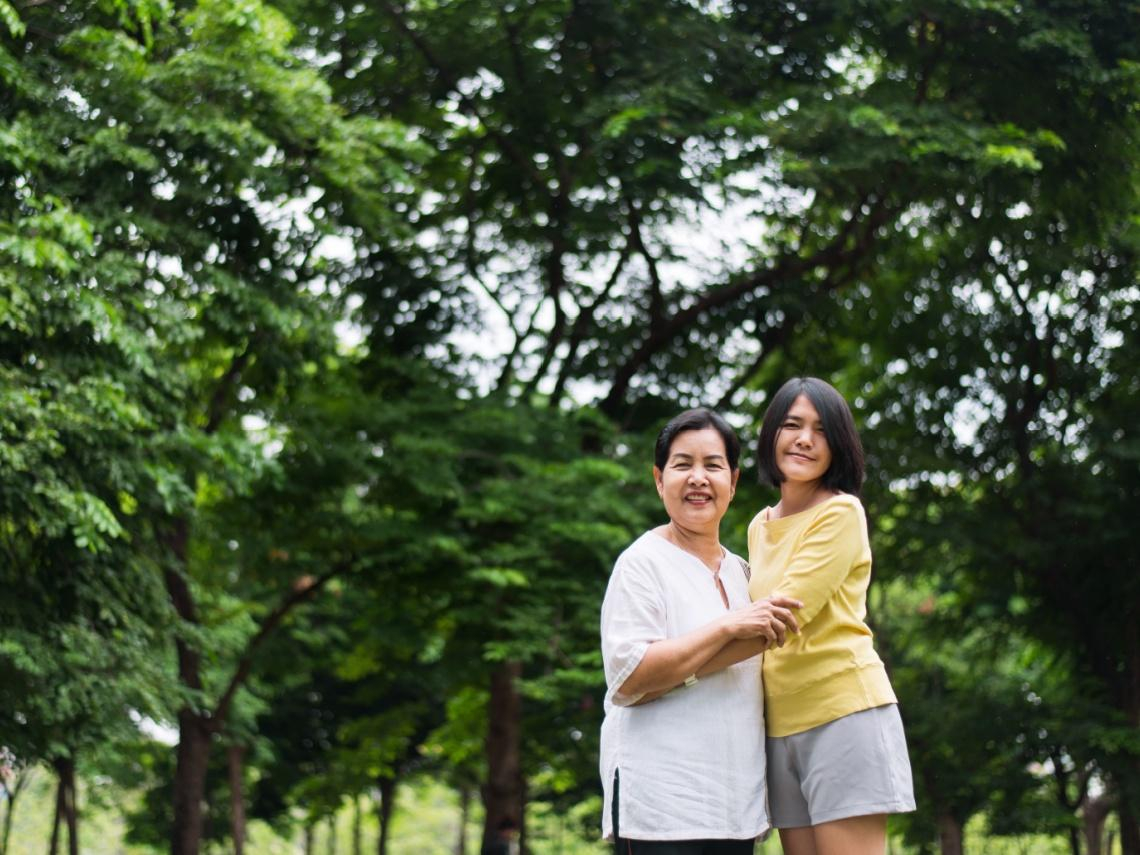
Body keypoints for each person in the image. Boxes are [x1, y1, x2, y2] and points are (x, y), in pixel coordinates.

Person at [600, 408, 802, 854]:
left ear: (733, 481)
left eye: (712, 465)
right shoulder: (641, 564)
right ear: (658, 479)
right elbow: (631, 677)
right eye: (682, 464)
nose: (698, 478)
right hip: (660, 809)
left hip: (736, 810)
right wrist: (727, 626)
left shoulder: (744, 573)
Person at [747, 377, 915, 855]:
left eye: (820, 430)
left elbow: (779, 616)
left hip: (842, 711)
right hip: (779, 723)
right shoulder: (760, 525)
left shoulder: (841, 513)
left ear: (838, 444)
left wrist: (685, 660)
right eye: (792, 424)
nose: (804, 438)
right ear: (771, 435)